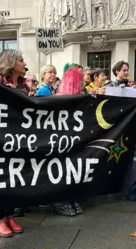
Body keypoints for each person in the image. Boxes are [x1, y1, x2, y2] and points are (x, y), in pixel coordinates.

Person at [0, 49, 25, 236]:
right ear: (11, 62)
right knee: (2, 177)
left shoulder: (23, 84)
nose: (24, 63)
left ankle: (10, 214)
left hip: (18, 137)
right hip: (0, 137)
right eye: (21, 60)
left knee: (14, 177)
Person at [53, 68, 86, 215]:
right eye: (81, 80)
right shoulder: (57, 101)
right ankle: (60, 201)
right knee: (62, 171)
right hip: (62, 143)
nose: (83, 82)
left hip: (75, 142)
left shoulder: (83, 99)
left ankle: (70, 198)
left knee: (73, 170)